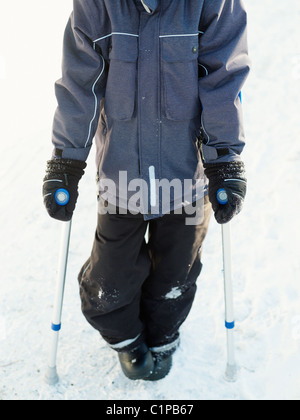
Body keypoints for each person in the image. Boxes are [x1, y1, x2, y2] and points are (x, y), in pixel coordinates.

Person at [43, 0, 250, 381]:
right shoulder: (97, 6)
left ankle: (164, 334)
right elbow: (80, 84)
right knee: (109, 285)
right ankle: (126, 338)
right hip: (123, 178)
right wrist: (66, 159)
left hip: (186, 178)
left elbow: (223, 79)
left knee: (176, 277)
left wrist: (224, 157)